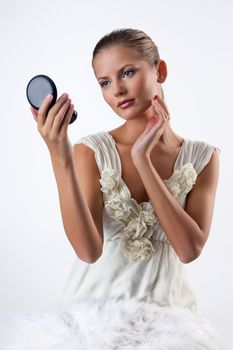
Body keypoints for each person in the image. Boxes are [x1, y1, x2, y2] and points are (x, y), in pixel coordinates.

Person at [1, 28, 230, 349]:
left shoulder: (203, 156)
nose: (117, 90)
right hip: (92, 318)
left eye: (128, 72)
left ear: (159, 71)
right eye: (105, 82)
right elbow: (88, 251)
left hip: (168, 321)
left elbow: (189, 249)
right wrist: (59, 156)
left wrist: (144, 161)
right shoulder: (92, 150)